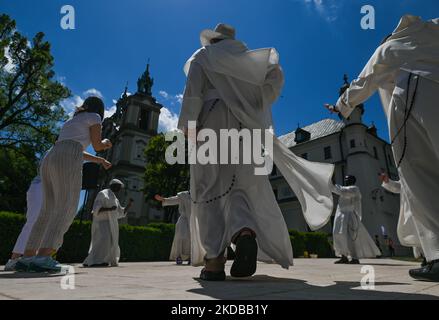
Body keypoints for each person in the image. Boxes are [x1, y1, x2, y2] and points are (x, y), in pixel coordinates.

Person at [179, 23, 335, 281]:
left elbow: (193, 94)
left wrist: (189, 129)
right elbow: (276, 75)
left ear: (213, 40)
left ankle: (215, 261)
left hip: (212, 120)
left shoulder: (204, 56)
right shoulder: (251, 60)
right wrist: (256, 103)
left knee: (209, 189)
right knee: (242, 187)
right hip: (248, 126)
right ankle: (244, 233)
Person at [325, 15, 439, 281]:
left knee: (421, 178)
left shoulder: (390, 47)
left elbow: (366, 79)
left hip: (414, 98)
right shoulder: (433, 29)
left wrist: (342, 106)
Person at [16, 96, 113, 273]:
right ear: (100, 109)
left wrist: (98, 160)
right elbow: (97, 145)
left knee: (47, 210)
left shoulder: (72, 120)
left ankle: (27, 257)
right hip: (68, 157)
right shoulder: (95, 118)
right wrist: (106, 144)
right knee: (67, 207)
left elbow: (73, 147)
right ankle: (44, 257)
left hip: (51, 157)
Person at [330, 175, 381, 264]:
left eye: (347, 179)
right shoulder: (344, 189)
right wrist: (331, 183)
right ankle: (343, 256)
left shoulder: (354, 189)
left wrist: (333, 183)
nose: (345, 180)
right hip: (340, 215)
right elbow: (336, 189)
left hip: (349, 215)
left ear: (352, 180)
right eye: (345, 179)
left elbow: (342, 191)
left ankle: (354, 257)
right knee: (338, 235)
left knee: (350, 237)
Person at [83, 179, 133, 267]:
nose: (119, 189)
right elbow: (96, 209)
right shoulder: (103, 193)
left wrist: (129, 205)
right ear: (113, 185)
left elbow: (121, 212)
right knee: (103, 240)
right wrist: (109, 209)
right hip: (102, 222)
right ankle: (94, 261)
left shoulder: (115, 198)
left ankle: (104, 260)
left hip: (112, 224)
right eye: (118, 187)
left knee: (110, 242)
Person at [380, 173, 426, 265]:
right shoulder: (405, 170)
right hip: (411, 208)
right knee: (416, 231)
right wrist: (388, 182)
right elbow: (400, 186)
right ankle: (426, 257)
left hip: (423, 203)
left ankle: (432, 257)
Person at [4, 176, 42, 271]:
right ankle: (14, 260)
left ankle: (28, 259)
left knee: (40, 225)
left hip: (43, 186)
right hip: (42, 187)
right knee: (33, 223)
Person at [155, 191, 192, 265]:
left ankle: (191, 257)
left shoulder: (199, 195)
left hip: (194, 220)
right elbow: (174, 199)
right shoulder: (183, 195)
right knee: (181, 237)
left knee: (193, 239)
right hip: (183, 219)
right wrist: (164, 199)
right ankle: (179, 257)